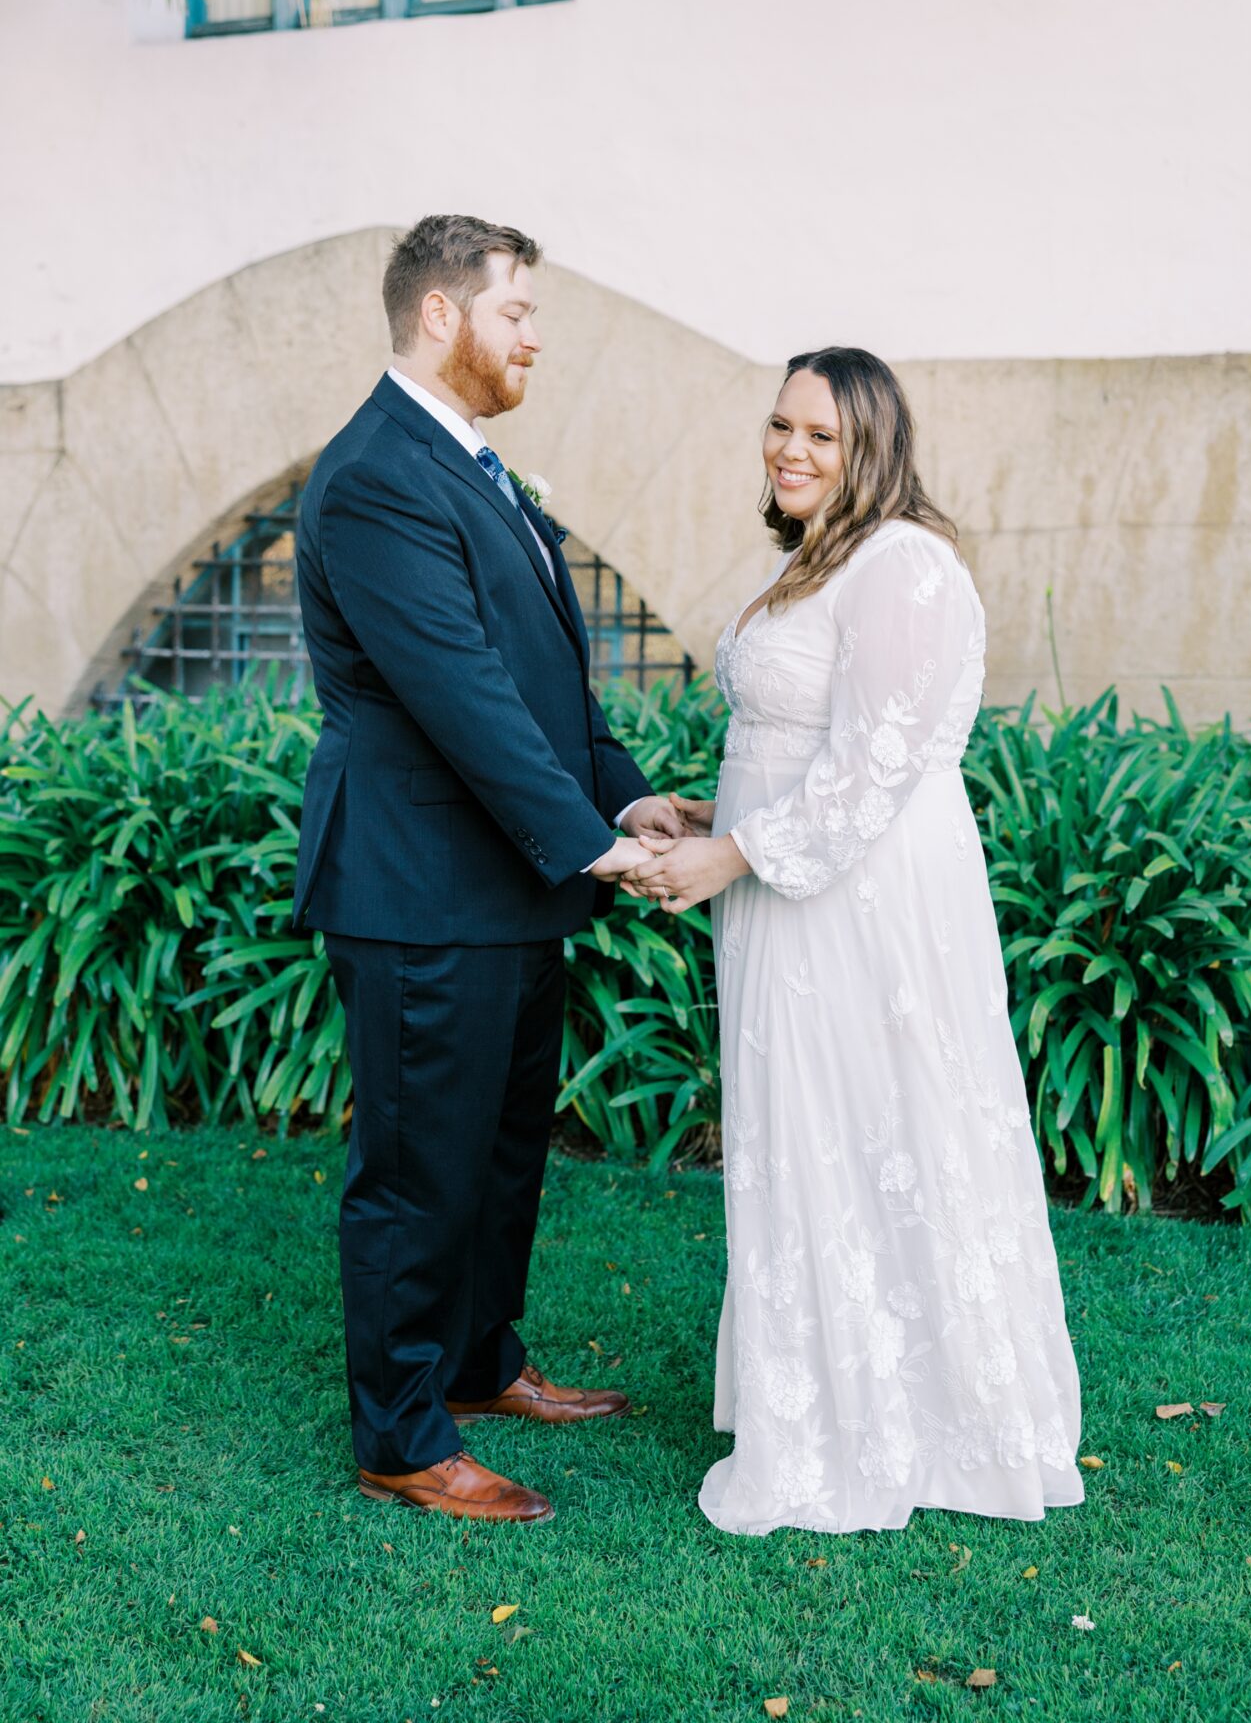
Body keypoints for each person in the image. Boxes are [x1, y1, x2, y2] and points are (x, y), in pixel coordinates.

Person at [629, 348, 1085, 1534]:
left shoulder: (905, 565)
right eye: (780, 424)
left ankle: (914, 1413)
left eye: (820, 435)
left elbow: (876, 762)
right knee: (806, 1129)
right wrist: (712, 815)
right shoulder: (816, 559)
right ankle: (822, 1389)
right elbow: (796, 742)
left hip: (863, 906)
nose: (789, 448)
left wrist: (728, 854)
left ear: (872, 445)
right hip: (783, 889)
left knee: (880, 1124)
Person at [294, 214, 683, 1523]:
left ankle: (477, 1362)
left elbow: (545, 689)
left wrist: (634, 802)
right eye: (516, 314)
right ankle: (404, 1435)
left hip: (506, 888)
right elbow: (462, 699)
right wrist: (589, 842)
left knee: (504, 1147)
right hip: (417, 887)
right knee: (419, 1167)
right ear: (443, 317)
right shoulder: (374, 478)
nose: (533, 341)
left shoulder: (475, 468)